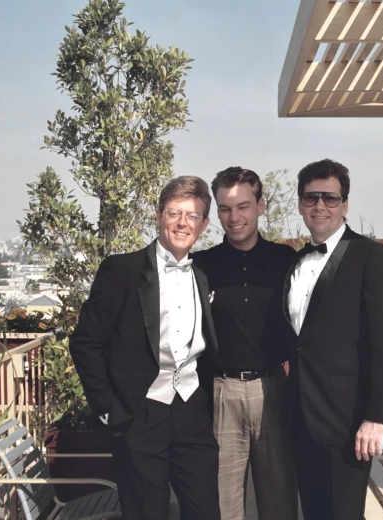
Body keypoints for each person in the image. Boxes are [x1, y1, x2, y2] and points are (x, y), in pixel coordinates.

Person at [70, 176, 221, 520]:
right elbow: (85, 342)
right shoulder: (121, 270)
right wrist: (108, 407)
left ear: (204, 224)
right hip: (140, 413)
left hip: (192, 411)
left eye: (192, 216)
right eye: (174, 213)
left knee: (206, 512)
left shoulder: (204, 275)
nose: (183, 223)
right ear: (158, 215)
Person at [283, 159, 383, 519]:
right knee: (315, 511)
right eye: (311, 197)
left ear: (345, 205)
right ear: (300, 204)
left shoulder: (373, 257)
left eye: (330, 198)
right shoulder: (295, 262)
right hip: (300, 415)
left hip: (347, 421)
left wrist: (376, 417)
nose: (320, 206)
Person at [192, 167, 298, 520]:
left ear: (261, 206)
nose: (234, 217)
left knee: (279, 500)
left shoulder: (285, 260)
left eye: (243, 206)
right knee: (223, 505)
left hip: (274, 389)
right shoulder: (201, 266)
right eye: (225, 209)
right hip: (221, 392)